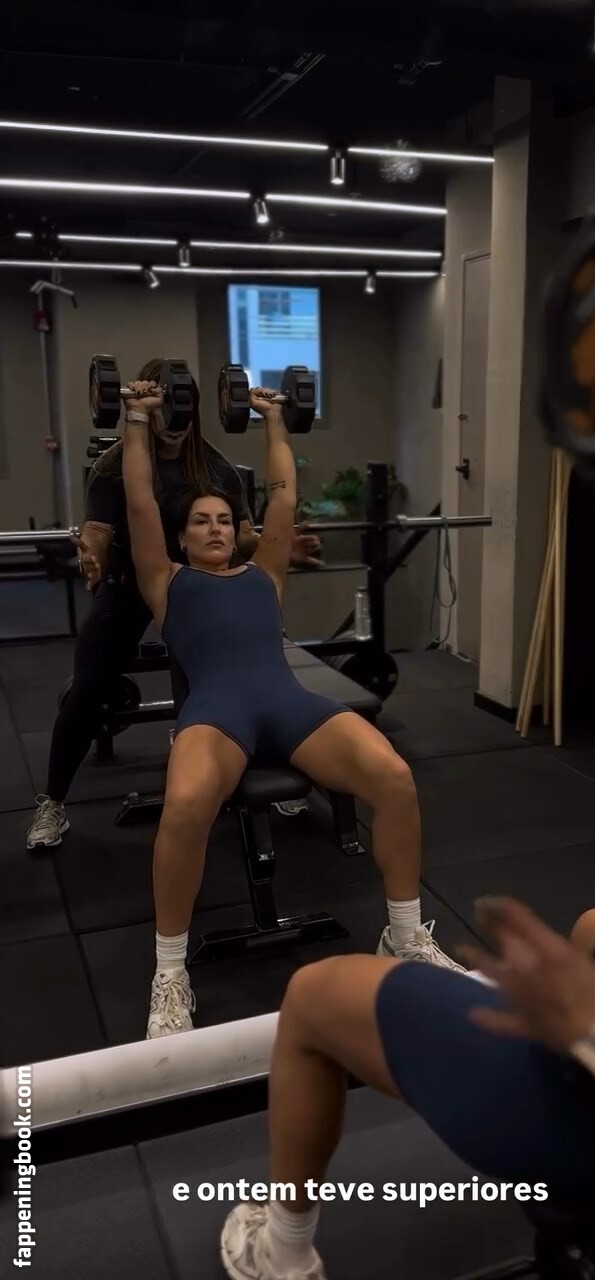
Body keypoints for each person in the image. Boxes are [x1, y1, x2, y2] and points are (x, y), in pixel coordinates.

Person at [218, 439, 595, 1280]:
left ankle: (283, 1252)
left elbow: (274, 510)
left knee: (311, 997)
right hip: (220, 704)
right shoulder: (178, 580)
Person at [120, 377, 464, 1039]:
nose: (216, 528)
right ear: (181, 537)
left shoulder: (265, 573)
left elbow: (283, 495)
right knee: (185, 806)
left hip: (288, 704)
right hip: (217, 715)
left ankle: (402, 937)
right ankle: (170, 973)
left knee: (393, 777)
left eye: (225, 520)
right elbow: (138, 501)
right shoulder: (166, 580)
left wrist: (274, 419)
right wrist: (136, 420)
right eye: (202, 521)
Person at [25, 357, 321, 851]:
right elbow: (98, 529)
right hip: (130, 582)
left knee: (223, 682)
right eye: (165, 407)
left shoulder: (216, 468)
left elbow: (243, 537)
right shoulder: (114, 464)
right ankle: (53, 801)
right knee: (89, 689)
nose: (174, 420)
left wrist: (278, 544)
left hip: (197, 584)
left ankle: (254, 777)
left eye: (184, 408)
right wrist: (91, 553)